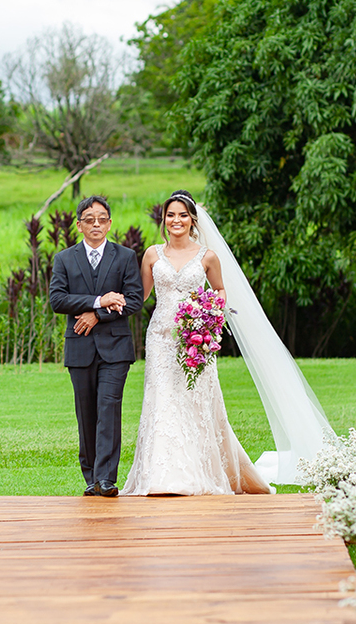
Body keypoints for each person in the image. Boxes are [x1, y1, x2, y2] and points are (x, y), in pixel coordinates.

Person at [122, 191, 272, 496]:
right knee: (161, 401)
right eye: (170, 215)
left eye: (182, 215)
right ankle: (160, 477)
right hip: (161, 339)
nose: (176, 221)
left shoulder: (207, 256)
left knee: (195, 402)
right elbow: (141, 296)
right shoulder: (152, 254)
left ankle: (198, 473)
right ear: (163, 220)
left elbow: (219, 292)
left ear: (193, 220)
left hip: (196, 339)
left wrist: (208, 321)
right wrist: (106, 300)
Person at [49, 196, 144, 497]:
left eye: (102, 218)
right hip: (79, 349)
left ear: (110, 223)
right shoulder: (64, 259)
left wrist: (96, 314)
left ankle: (106, 479)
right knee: (86, 413)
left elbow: (134, 300)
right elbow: (57, 300)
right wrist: (98, 300)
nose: (96, 224)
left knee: (109, 408)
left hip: (115, 349)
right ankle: (90, 477)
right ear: (79, 225)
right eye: (89, 219)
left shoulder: (126, 257)